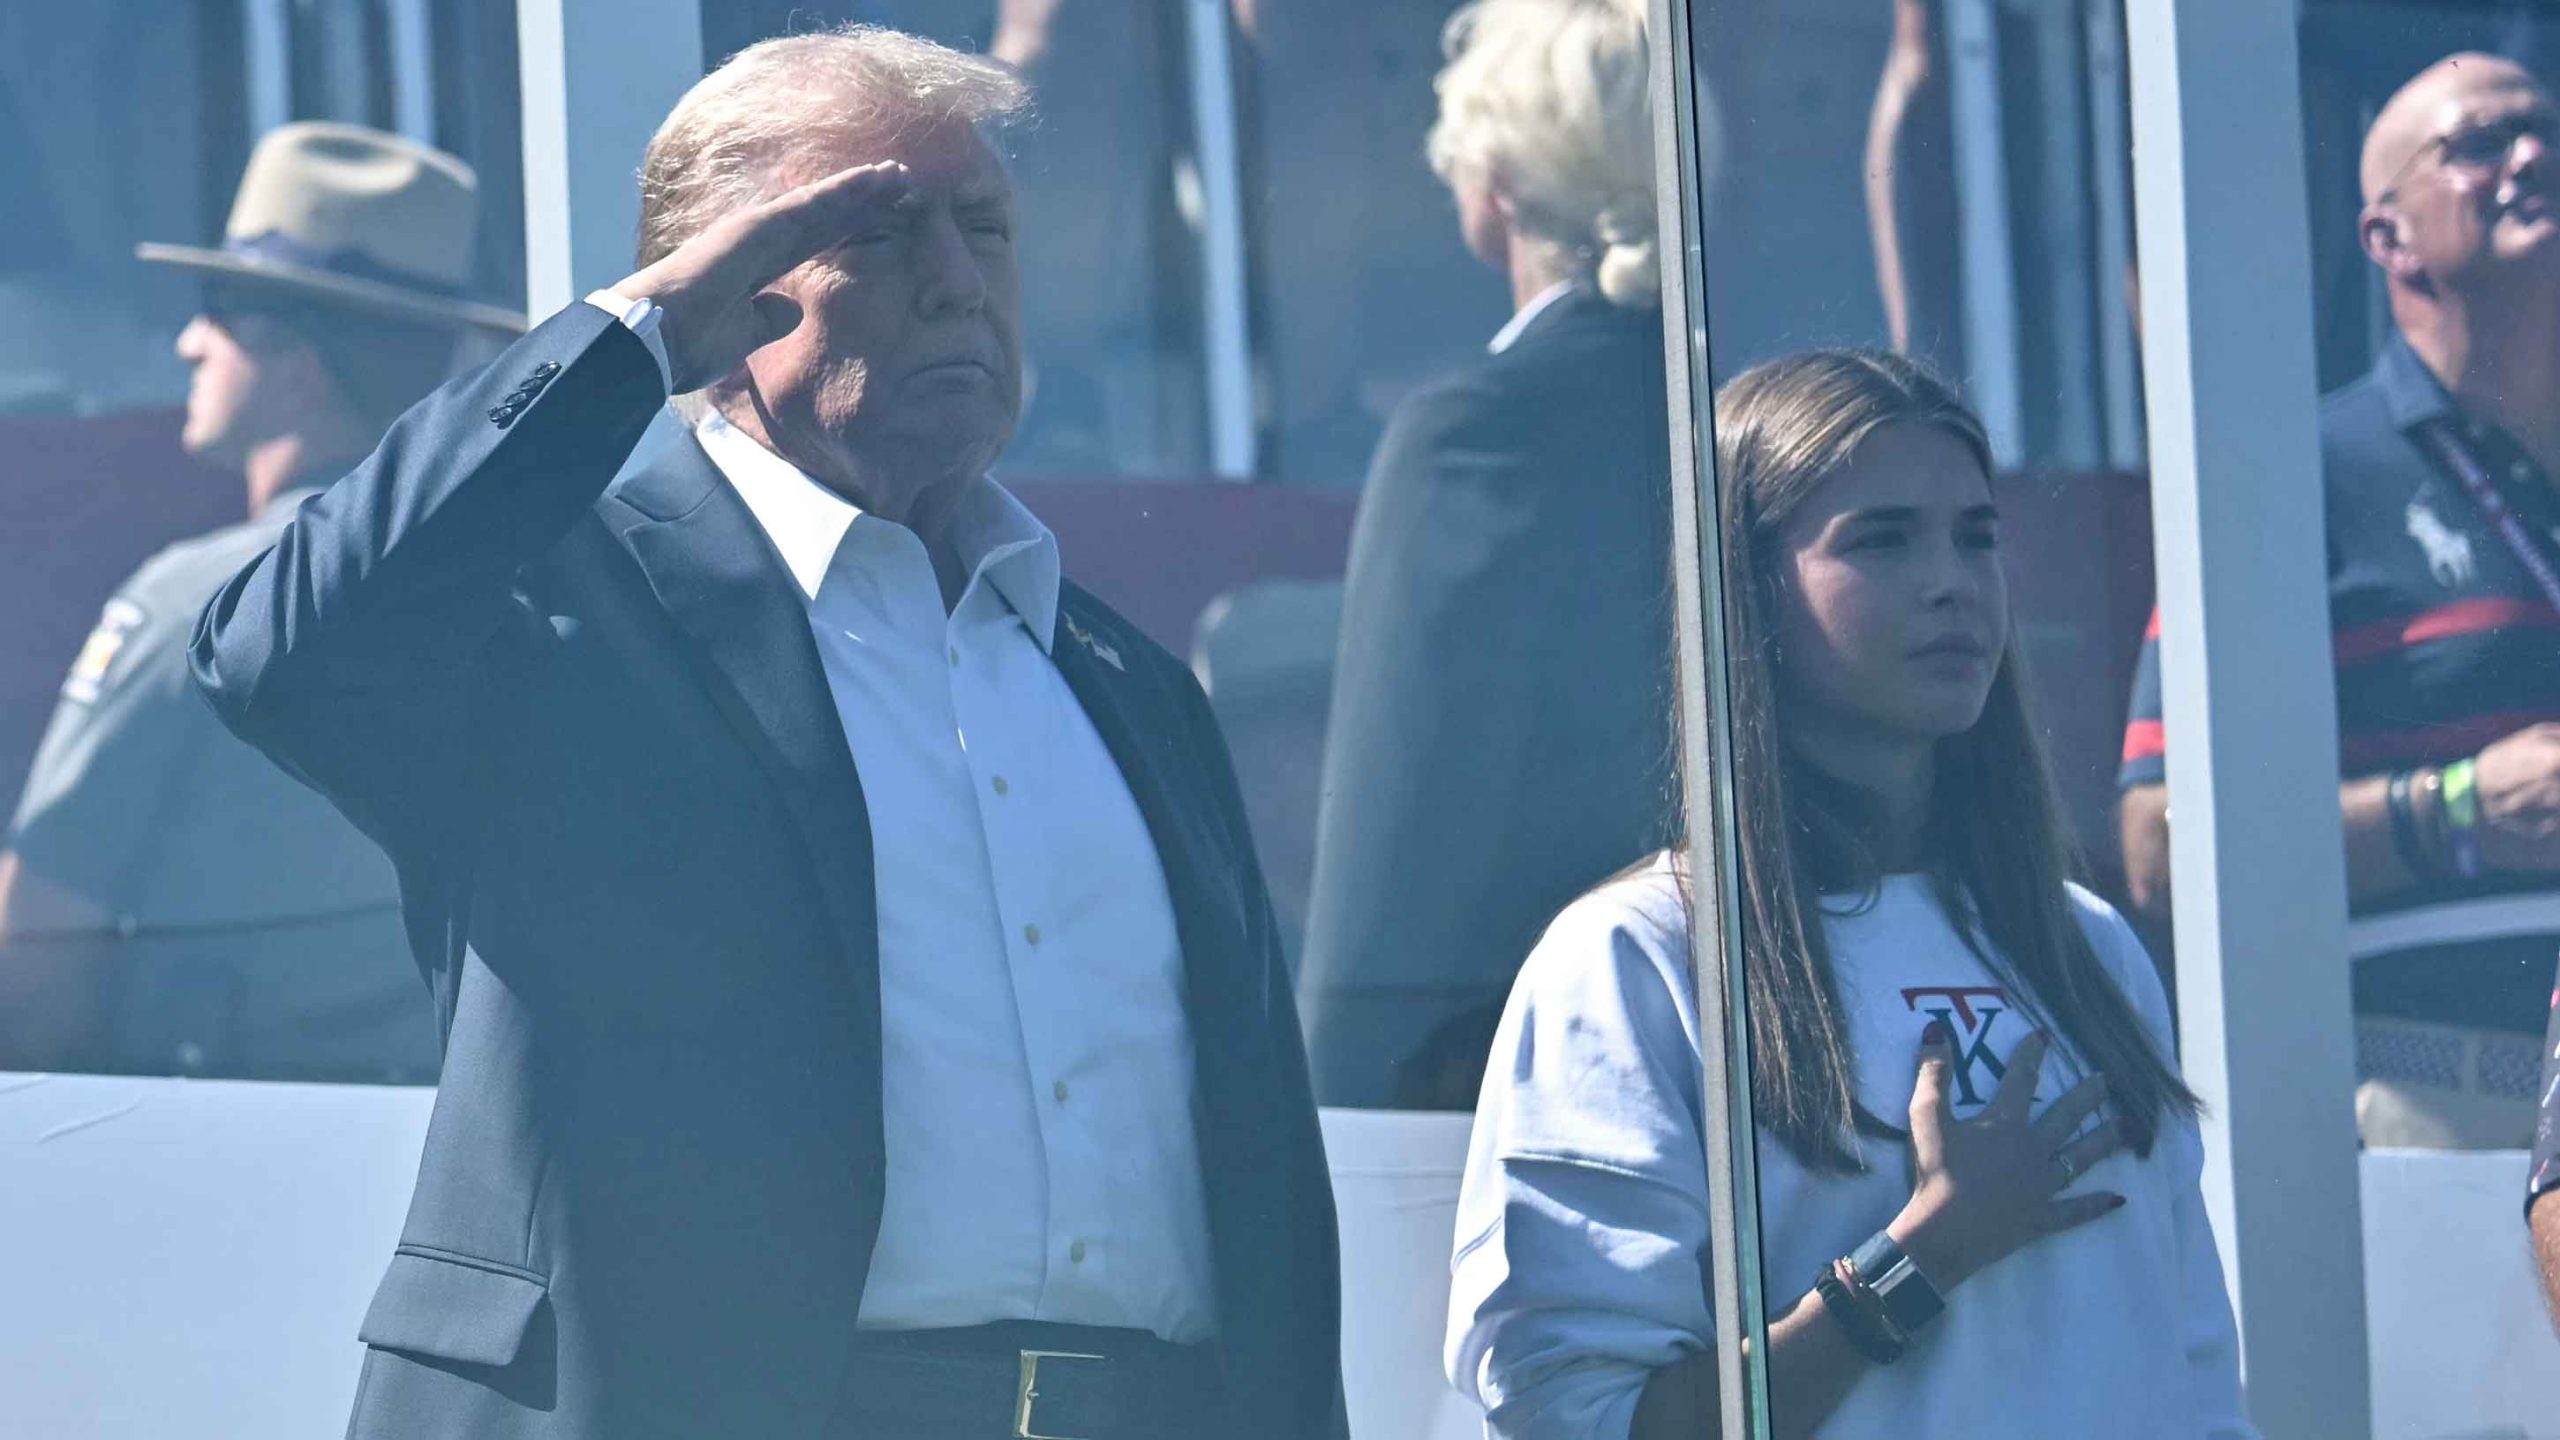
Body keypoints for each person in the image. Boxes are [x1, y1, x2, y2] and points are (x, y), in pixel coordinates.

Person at [189, 27, 1343, 1440]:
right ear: (732, 287)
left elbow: (1263, 1183)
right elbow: (284, 653)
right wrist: (636, 338)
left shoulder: (1124, 680)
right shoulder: (564, 615)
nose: (958, 283)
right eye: (879, 232)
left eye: (983, 229)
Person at [1448, 350, 2251, 1439]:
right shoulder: (1634, 957)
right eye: (1881, 539)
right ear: (1748, 582)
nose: (1950, 581)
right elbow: (1581, 1418)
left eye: (1976, 536)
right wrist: (1924, 1255)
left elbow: (2194, 1384)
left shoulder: (2087, 947)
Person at [0, 123, 518, 1081]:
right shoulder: (527, 588)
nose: (191, 342)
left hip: (201, 1150)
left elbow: (32, 961)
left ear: (300, 364)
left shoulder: (196, 600)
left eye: (223, 309)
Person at [2119, 53, 2560, 1149]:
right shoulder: (2291, 477)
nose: (2533, 157)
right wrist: (2454, 810)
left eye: (2547, 131)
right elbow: (2155, 844)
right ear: (2385, 238)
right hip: (2455, 1106)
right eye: (2476, 144)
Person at [1298, 0, 1679, 1111]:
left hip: (1534, 1078)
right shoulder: (1751, 404)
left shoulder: (1477, 432)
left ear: (1494, 188)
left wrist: (1346, 1112)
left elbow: (1408, 817)